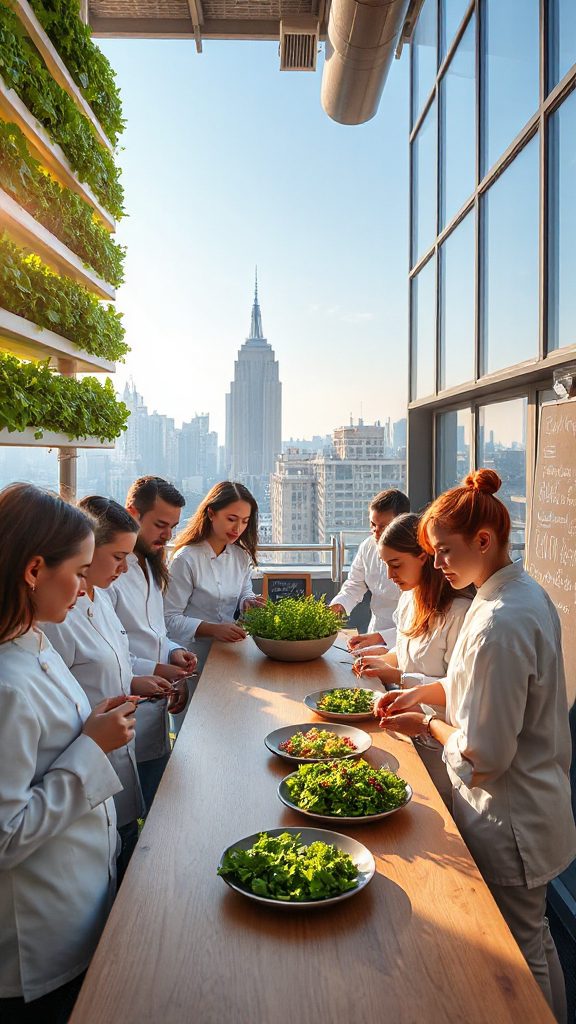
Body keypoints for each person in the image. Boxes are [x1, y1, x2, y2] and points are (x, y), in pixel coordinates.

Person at [375, 470, 575, 1022]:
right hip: (535, 802)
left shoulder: (498, 621)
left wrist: (425, 725)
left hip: (510, 817)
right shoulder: (517, 593)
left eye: (442, 551)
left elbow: (482, 757)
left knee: (520, 956)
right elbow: (470, 684)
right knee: (537, 940)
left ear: (483, 541)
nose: (436, 565)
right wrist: (425, 694)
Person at [0, 483, 136, 1023]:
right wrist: (90, 748)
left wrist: (90, 725)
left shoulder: (33, 643)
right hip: (38, 946)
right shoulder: (7, 682)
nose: (85, 590)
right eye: (80, 572)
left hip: (76, 907)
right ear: (34, 570)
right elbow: (5, 834)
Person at [43, 497, 173, 881]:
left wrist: (140, 677)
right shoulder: (57, 618)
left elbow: (115, 659)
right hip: (85, 772)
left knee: (126, 851)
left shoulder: (100, 599)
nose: (124, 567)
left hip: (115, 757)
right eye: (117, 557)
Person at [353, 512, 471, 802]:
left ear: (423, 556)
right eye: (386, 566)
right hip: (410, 729)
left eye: (396, 565)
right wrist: (383, 662)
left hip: (444, 741)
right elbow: (406, 651)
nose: (391, 576)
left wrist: (400, 677)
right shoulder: (410, 597)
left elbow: (459, 687)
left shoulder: (460, 613)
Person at [109, 476, 197, 812]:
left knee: (161, 804)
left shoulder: (151, 562)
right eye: (160, 525)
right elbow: (110, 650)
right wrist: (160, 669)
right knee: (132, 817)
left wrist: (173, 650)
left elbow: (153, 630)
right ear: (133, 513)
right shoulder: (111, 574)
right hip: (128, 711)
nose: (168, 535)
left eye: (173, 526)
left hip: (157, 704)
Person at [164, 481, 263, 659]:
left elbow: (244, 590)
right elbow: (169, 619)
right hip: (190, 654)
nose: (238, 529)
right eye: (231, 519)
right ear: (211, 513)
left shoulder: (240, 556)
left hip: (229, 651)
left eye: (244, 522)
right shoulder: (186, 559)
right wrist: (212, 629)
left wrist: (248, 601)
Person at [329, 488, 410, 650]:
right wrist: (339, 605)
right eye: (373, 524)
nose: (376, 532)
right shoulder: (367, 546)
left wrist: (383, 638)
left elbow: (420, 624)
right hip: (375, 629)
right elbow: (354, 584)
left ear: (401, 523)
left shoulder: (414, 556)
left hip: (404, 638)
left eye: (384, 526)